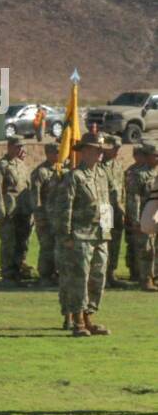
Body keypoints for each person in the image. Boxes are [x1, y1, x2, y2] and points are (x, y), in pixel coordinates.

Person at [54, 133, 112, 337]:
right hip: (79, 236)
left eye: (101, 150)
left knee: (97, 278)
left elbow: (106, 204)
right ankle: (77, 320)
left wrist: (107, 231)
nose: (100, 154)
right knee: (79, 279)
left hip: (99, 236)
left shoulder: (102, 174)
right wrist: (66, 236)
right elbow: (64, 208)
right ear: (85, 151)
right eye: (97, 149)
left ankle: (89, 317)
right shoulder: (74, 176)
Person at [0, 135, 33, 282]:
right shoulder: (2, 165)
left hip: (23, 210)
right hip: (9, 211)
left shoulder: (22, 165)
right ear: (9, 147)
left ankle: (18, 269)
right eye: (18, 146)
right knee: (9, 242)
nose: (20, 149)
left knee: (23, 242)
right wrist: (0, 211)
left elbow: (28, 187)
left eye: (22, 146)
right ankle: (8, 273)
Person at [124, 142, 157, 290]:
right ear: (147, 156)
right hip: (146, 217)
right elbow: (133, 198)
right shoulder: (139, 174)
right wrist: (136, 220)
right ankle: (146, 280)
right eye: (154, 156)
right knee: (146, 249)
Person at [29, 142, 61, 285]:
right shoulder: (41, 172)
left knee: (58, 246)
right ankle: (45, 276)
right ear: (48, 153)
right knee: (47, 246)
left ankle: (56, 273)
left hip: (58, 217)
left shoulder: (61, 170)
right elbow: (36, 198)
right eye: (56, 152)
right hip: (45, 217)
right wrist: (39, 217)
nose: (59, 155)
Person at [100, 135, 126, 287]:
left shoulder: (117, 165)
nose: (117, 151)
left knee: (115, 243)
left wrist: (123, 208)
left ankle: (111, 273)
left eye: (118, 148)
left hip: (118, 209)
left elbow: (122, 188)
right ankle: (102, 274)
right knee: (105, 242)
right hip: (105, 209)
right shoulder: (99, 165)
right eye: (114, 148)